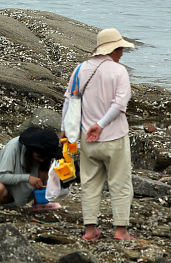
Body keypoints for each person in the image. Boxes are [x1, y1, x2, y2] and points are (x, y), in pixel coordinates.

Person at [63, 28, 136, 242]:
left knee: (90, 184)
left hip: (87, 139)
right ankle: (121, 231)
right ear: (114, 49)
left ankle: (90, 230)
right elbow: (119, 105)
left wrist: (65, 132)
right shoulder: (118, 71)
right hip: (114, 136)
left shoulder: (80, 69)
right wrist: (101, 125)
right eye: (120, 48)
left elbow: (69, 102)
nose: (122, 53)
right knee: (120, 183)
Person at [0, 127, 64, 224]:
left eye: (45, 157)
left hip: (24, 191)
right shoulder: (14, 146)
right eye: (39, 156)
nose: (42, 159)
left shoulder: (42, 158)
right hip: (5, 190)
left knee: (47, 168)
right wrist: (28, 178)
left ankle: (41, 202)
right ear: (31, 150)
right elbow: (2, 177)